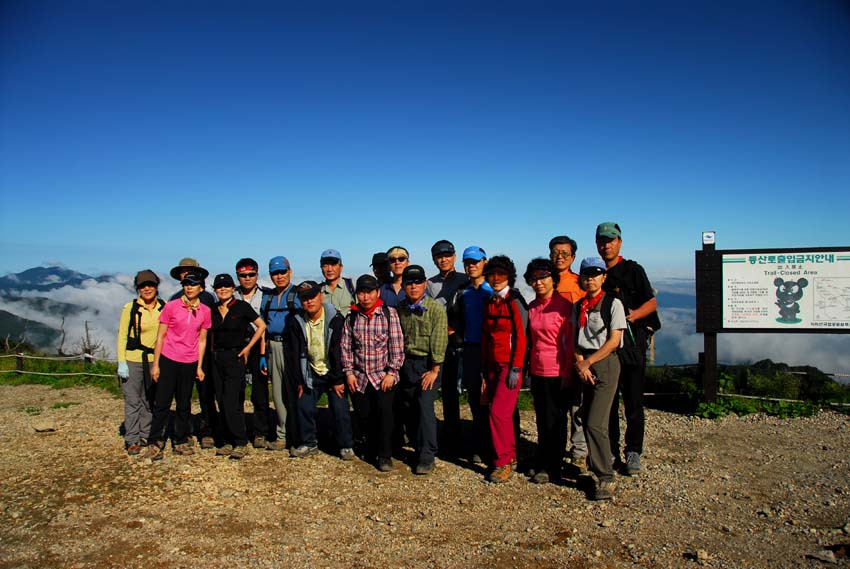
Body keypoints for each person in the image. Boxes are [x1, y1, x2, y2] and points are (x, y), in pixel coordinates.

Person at [596, 222, 659, 476]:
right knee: (607, 402)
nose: (606, 244)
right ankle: (609, 449)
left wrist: (629, 317)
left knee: (633, 402)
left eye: (610, 240)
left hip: (631, 345)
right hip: (606, 347)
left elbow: (651, 303)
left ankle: (633, 451)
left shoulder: (633, 270)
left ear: (619, 242)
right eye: (602, 240)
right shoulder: (597, 272)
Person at [574, 257, 626, 500]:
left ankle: (605, 476)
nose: (590, 279)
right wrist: (580, 363)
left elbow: (614, 341)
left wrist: (588, 362)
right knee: (586, 418)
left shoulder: (613, 303)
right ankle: (597, 466)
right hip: (586, 364)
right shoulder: (580, 305)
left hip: (604, 364)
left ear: (604, 277)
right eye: (586, 275)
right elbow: (576, 339)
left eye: (595, 274)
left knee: (595, 422)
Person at [144, 270, 212, 460]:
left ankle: (180, 440)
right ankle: (156, 441)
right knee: (162, 403)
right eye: (186, 284)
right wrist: (155, 364)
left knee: (184, 403)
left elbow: (202, 341)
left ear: (201, 288)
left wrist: (199, 366)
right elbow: (160, 336)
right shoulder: (172, 306)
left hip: (189, 361)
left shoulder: (205, 311)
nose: (189, 287)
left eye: (193, 284)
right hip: (169, 358)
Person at [341, 274, 405, 472]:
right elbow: (346, 347)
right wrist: (349, 372)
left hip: (382, 376)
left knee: (385, 416)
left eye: (370, 292)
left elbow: (396, 345)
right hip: (360, 377)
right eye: (362, 292)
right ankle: (371, 448)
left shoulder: (389, 314)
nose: (366, 297)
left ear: (377, 292)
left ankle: (385, 455)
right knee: (365, 415)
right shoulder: (351, 318)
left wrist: (392, 372)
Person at [285, 281, 355, 460]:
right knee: (304, 406)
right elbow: (293, 353)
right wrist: (300, 381)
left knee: (340, 408)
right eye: (304, 298)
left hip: (333, 371)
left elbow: (339, 350)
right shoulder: (296, 321)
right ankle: (309, 443)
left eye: (312, 296)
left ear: (320, 296)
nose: (309, 301)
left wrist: (338, 379)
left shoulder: (335, 319)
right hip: (310, 371)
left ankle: (345, 445)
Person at [524, 258, 576, 483]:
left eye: (543, 277)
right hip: (537, 369)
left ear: (553, 279)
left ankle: (553, 465)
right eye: (534, 279)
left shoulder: (564, 306)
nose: (539, 283)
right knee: (542, 418)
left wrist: (567, 372)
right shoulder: (532, 307)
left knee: (556, 419)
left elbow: (571, 342)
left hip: (557, 370)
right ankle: (543, 457)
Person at [396, 265, 448, 475]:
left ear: (425, 284)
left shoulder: (435, 309)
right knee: (409, 406)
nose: (414, 286)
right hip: (406, 363)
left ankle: (427, 455)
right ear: (404, 285)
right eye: (409, 282)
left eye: (418, 282)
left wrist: (435, 369)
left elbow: (439, 339)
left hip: (429, 364)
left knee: (425, 406)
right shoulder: (400, 309)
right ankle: (417, 445)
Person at [480, 255, 527, 483]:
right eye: (492, 274)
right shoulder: (490, 301)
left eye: (500, 274)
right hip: (492, 367)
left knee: (497, 413)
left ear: (509, 276)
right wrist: (485, 371)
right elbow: (486, 337)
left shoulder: (514, 302)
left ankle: (503, 462)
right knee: (503, 415)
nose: (496, 279)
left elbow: (522, 337)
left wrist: (516, 368)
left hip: (509, 367)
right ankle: (510, 456)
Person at [209, 274, 266, 459]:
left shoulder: (242, 307)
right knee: (220, 399)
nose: (223, 289)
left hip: (235, 357)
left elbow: (261, 326)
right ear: (215, 290)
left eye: (226, 286)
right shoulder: (213, 310)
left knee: (231, 400)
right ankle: (227, 441)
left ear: (233, 288)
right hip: (216, 357)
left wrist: (248, 348)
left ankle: (240, 441)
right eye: (219, 287)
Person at [446, 245, 492, 465]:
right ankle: (482, 445)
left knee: (499, 400)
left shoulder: (494, 289)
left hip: (493, 351)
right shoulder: (462, 291)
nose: (471, 265)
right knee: (475, 399)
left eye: (475, 261)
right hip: (471, 350)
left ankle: (504, 447)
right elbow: (452, 320)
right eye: (468, 262)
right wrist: (457, 341)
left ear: (485, 261)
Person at [548, 236, 588, 472]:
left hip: (577, 350)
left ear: (573, 257)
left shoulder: (579, 283)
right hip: (552, 352)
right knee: (556, 404)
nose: (559, 257)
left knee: (577, 403)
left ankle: (579, 451)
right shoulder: (545, 282)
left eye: (564, 253)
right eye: (555, 252)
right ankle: (555, 448)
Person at [425, 239, 469, 456]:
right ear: (434, 259)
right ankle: (436, 434)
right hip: (438, 342)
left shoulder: (466, 279)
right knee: (434, 391)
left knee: (454, 392)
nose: (444, 259)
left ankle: (455, 435)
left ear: (454, 256)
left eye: (447, 255)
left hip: (461, 343)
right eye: (439, 256)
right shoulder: (429, 284)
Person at [168, 257, 217, 449]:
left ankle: (208, 429)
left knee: (206, 394)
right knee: (183, 395)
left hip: (203, 354)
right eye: (183, 272)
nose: (185, 274)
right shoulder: (174, 299)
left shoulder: (207, 298)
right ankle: (184, 431)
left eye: (189, 271)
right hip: (180, 354)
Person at [116, 269, 164, 455]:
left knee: (149, 400)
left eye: (150, 285)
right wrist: (121, 361)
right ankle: (132, 439)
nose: (147, 288)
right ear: (137, 288)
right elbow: (122, 336)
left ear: (156, 286)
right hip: (133, 358)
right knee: (133, 400)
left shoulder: (163, 306)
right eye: (143, 285)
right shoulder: (131, 308)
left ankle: (146, 434)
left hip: (155, 360)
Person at [260, 256, 301, 451]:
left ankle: (298, 435)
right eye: (275, 273)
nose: (279, 276)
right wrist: (262, 355)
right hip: (272, 346)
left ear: (290, 272)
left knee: (294, 392)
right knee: (277, 393)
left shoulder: (298, 294)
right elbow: (262, 327)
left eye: (282, 272)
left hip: (292, 347)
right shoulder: (267, 298)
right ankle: (282, 434)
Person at [234, 258, 272, 449]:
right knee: (237, 391)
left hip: (258, 348)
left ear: (257, 275)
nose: (247, 278)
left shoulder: (266, 296)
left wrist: (263, 355)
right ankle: (238, 430)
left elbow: (265, 326)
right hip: (237, 348)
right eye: (243, 275)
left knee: (260, 392)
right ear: (237, 276)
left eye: (251, 274)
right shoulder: (230, 295)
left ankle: (260, 432)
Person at [319, 249, 355, 316]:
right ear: (321, 268)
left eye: (333, 265)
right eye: (325, 265)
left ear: (341, 267)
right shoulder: (317, 291)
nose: (329, 269)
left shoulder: (352, 286)